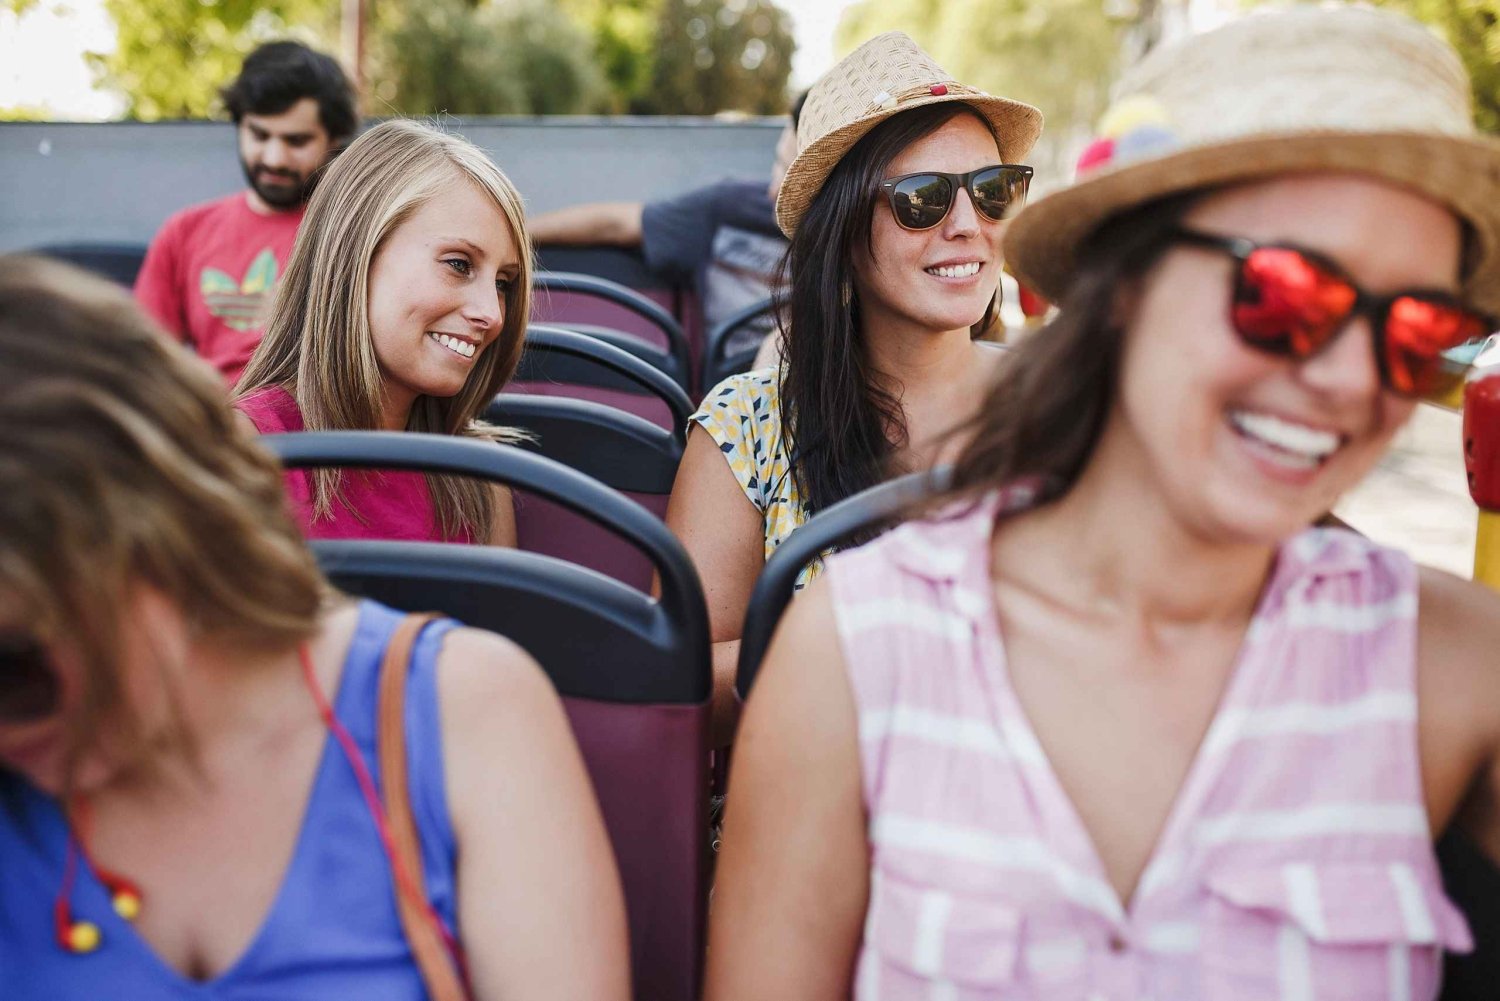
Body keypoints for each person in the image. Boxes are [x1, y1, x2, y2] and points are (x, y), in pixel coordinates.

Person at [706, 8, 1500, 998]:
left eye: (1421, 330)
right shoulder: (852, 649)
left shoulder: (1452, 666)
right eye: (1287, 291)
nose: (1350, 378)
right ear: (1121, 283)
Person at [0, 255, 630, 999]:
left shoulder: (465, 708)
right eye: (456, 266)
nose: (490, 312)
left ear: (157, 539)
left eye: (16, 669)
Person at [665, 32, 1042, 739]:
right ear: (839, 234)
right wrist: (886, 645)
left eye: (994, 192)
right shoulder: (749, 428)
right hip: (815, 811)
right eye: (923, 200)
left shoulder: (1060, 404)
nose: (968, 226)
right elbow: (674, 679)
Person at [236, 119, 529, 547]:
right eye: (459, 265)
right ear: (356, 254)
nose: (492, 315)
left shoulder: (480, 480)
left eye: (503, 283)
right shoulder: (238, 453)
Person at [134, 41, 359, 386]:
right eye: (259, 134)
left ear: (333, 141)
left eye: (296, 141)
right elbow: (142, 362)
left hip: (317, 427)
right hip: (208, 424)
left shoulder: (352, 230)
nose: (274, 158)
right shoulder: (185, 231)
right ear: (239, 126)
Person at [529, 92, 806, 359]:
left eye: (788, 172)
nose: (774, 190)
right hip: (737, 392)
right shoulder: (728, 208)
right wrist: (515, 235)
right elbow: (616, 223)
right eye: (777, 165)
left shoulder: (845, 254)